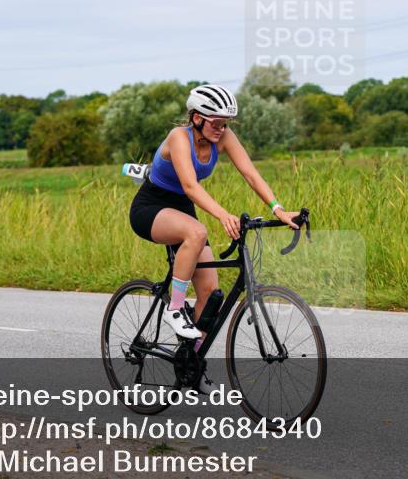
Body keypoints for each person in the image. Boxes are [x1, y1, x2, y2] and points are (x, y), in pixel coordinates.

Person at [129, 84, 301, 349]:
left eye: (226, 123)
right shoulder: (178, 137)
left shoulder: (223, 136)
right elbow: (190, 186)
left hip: (182, 208)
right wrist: (222, 214)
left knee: (210, 294)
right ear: (197, 118)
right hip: (150, 207)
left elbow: (250, 174)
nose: (222, 129)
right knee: (196, 231)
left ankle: (190, 363)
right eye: (217, 123)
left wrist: (277, 208)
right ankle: (174, 309)